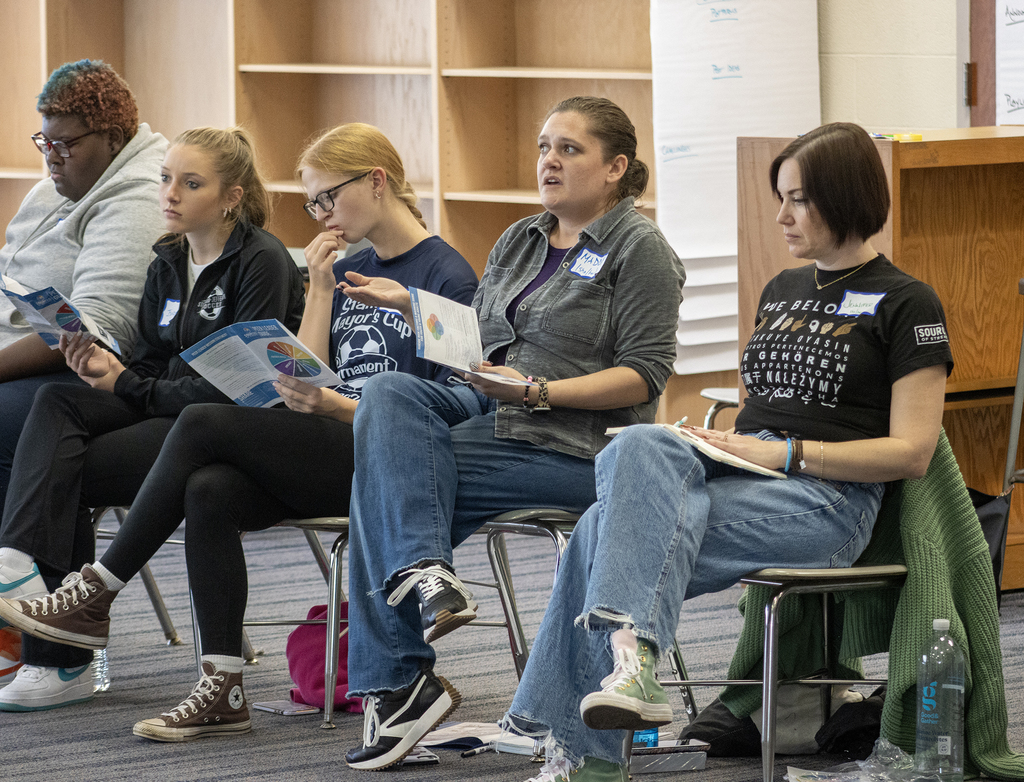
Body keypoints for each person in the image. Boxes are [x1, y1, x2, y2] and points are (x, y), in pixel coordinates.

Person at [503, 122, 955, 782]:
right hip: (744, 466)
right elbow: (765, 411)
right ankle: (629, 672)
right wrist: (722, 446)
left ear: (847, 196)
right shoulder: (783, 289)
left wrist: (787, 455)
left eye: (798, 199)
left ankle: (582, 742)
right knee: (643, 445)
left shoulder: (907, 301)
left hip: (827, 501)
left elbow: (912, 453)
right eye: (781, 197)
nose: (781, 215)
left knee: (604, 528)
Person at [0, 123, 479, 736]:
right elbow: (306, 371)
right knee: (209, 488)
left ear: (377, 182)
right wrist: (323, 294)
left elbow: (456, 407)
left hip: (386, 461)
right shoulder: (346, 265)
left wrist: (333, 407)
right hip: (320, 437)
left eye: (328, 197)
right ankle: (221, 687)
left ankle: (97, 590)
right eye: (312, 202)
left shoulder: (446, 275)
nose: (321, 214)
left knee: (200, 421)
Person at [332, 96, 685, 771]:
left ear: (616, 167)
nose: (548, 160)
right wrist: (412, 306)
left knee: (383, 487)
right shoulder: (521, 237)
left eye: (569, 149)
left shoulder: (641, 251)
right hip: (494, 414)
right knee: (387, 398)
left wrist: (536, 391)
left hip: (581, 447)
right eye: (544, 145)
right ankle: (424, 588)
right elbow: (481, 341)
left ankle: (400, 683)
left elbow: (644, 375)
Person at [0, 126, 305, 711]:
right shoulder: (168, 257)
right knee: (56, 403)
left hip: (217, 425)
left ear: (230, 197)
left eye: (190, 184)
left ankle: (65, 656)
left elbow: (240, 383)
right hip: (162, 399)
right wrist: (101, 364)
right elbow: (149, 358)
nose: (169, 194)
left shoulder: (260, 260)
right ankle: (16, 561)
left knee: (66, 471)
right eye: (166, 178)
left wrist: (131, 384)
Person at [0, 60, 167, 510]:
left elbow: (92, 330)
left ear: (113, 139)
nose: (52, 156)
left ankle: (24, 574)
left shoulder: (139, 197)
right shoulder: (60, 183)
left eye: (65, 144)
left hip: (81, 375)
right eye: (45, 142)